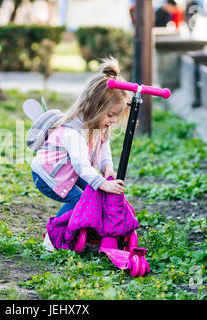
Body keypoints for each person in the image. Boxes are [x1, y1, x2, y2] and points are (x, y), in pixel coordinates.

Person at [30, 57, 131, 218]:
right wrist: (103, 183)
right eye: (111, 115)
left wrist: (107, 166)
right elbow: (82, 167)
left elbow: (104, 146)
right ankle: (53, 236)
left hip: (68, 171)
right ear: (95, 108)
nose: (113, 120)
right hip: (47, 175)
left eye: (116, 116)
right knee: (79, 201)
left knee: (94, 193)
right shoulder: (73, 133)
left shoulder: (97, 124)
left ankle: (86, 229)